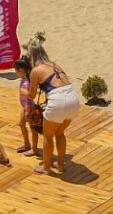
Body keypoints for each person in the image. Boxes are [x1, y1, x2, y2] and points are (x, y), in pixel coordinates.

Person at [27, 43, 79, 176]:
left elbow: (32, 95)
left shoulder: (36, 71)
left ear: (31, 56)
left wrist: (23, 92)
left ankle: (46, 167)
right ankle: (61, 164)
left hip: (58, 101)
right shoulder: (55, 65)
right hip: (73, 99)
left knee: (48, 136)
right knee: (60, 133)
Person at [14, 56, 40, 158]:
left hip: (29, 107)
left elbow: (30, 95)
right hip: (24, 106)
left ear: (20, 70)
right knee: (21, 124)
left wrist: (28, 111)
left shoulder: (28, 82)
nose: (16, 73)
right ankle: (27, 144)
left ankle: (34, 149)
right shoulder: (24, 79)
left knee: (33, 129)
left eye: (16, 71)